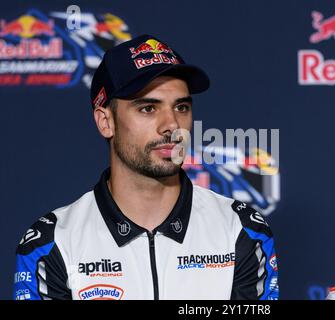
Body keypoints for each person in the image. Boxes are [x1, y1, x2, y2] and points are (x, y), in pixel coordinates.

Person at [13, 34, 279, 300]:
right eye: (148, 108)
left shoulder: (240, 229)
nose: (172, 125)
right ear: (106, 122)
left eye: (182, 107)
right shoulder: (52, 242)